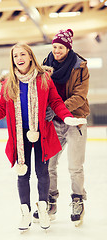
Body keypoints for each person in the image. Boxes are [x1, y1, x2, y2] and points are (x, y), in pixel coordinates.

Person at [0, 43, 87, 231]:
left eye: (23, 54)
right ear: (12, 60)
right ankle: (25, 213)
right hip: (20, 137)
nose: (19, 58)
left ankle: (43, 209)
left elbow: (56, 102)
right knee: (23, 174)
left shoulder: (44, 79)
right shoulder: (8, 83)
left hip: (41, 134)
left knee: (43, 173)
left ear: (30, 57)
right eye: (15, 56)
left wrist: (68, 117)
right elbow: (0, 110)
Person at [33, 29, 90, 227]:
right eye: (55, 46)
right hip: (53, 123)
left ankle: (77, 200)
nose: (57, 50)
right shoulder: (44, 66)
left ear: (68, 47)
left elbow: (80, 96)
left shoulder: (80, 66)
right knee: (49, 164)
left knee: (75, 166)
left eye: (61, 47)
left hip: (75, 119)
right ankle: (50, 202)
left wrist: (59, 110)